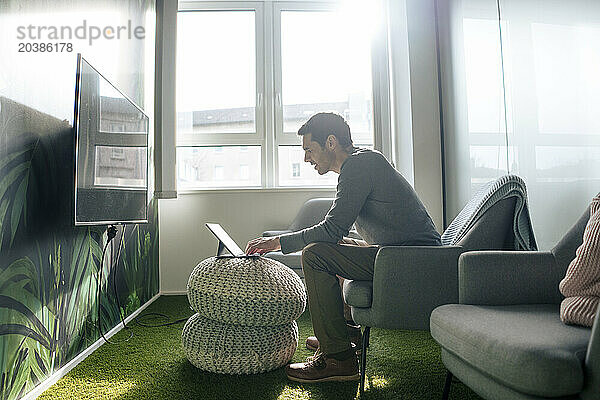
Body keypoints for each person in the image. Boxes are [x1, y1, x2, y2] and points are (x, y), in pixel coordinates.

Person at [245, 112, 441, 383]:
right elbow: (335, 231)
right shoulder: (362, 162)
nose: (306, 159)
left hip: (409, 259)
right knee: (333, 245)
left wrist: (276, 243)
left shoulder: (358, 166)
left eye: (309, 150)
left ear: (331, 142)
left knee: (315, 255)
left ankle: (338, 359)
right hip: (399, 252)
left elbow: (331, 227)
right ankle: (346, 337)